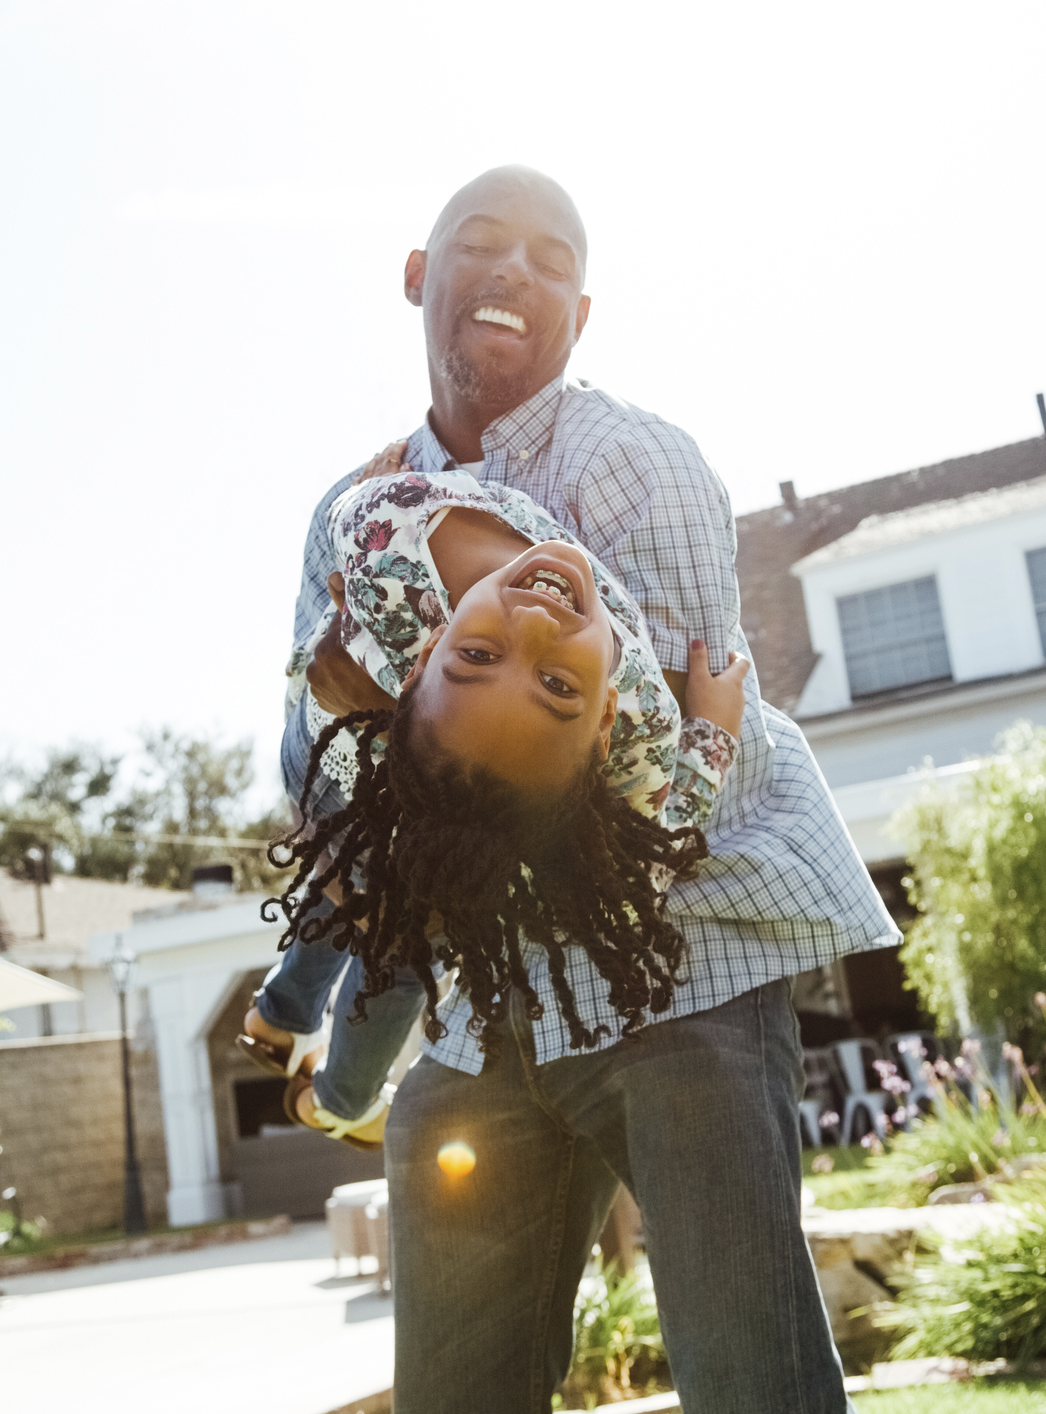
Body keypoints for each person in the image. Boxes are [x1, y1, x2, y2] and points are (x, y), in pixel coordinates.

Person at [284, 166, 899, 1412]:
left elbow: (666, 796)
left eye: (553, 258)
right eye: (482, 243)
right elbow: (313, 777)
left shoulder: (638, 468)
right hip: (480, 1006)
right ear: (419, 275)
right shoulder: (356, 512)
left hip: (681, 974)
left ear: (581, 311)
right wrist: (353, 717)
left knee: (752, 1381)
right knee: (458, 1391)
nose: (516, 270)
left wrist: (397, 717)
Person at [240, 445, 748, 1147]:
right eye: (556, 686)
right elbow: (642, 878)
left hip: (382, 750)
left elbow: (638, 880)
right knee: (385, 915)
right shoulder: (643, 724)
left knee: (381, 903)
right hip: (348, 761)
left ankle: (297, 1041)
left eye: (480, 656)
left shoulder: (383, 530)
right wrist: (713, 733)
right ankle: (335, 1089)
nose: (538, 620)